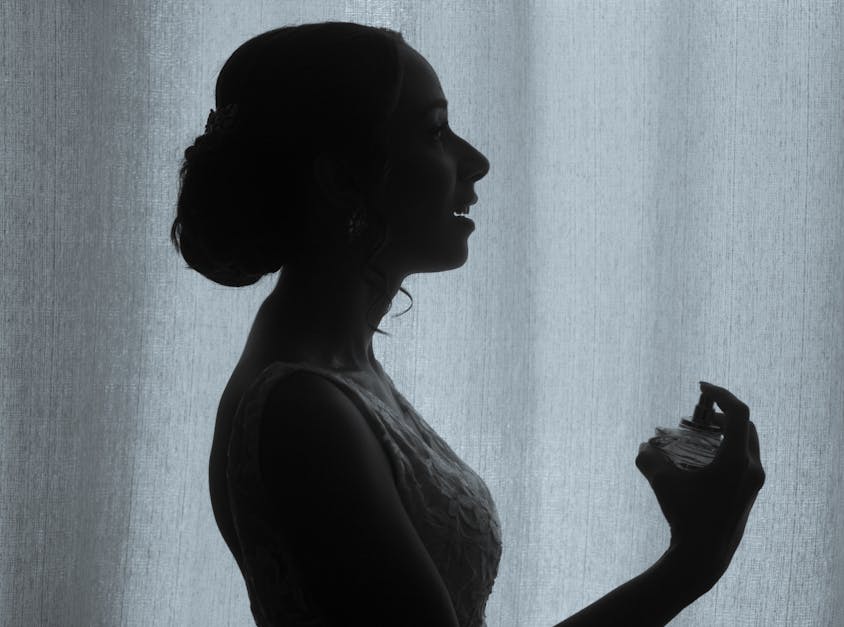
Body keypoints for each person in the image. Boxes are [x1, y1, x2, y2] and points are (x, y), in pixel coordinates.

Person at [170, 21, 766, 627]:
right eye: (434, 131)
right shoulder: (302, 409)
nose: (475, 162)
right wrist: (694, 559)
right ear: (339, 181)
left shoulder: (337, 374)